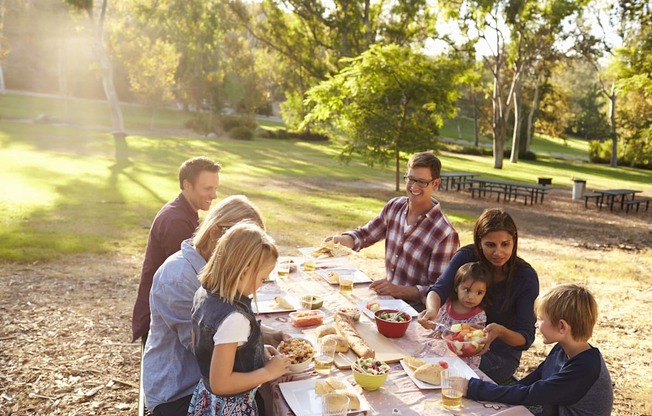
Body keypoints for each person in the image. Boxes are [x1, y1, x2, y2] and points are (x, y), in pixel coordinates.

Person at [143, 195, 287, 416]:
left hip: (207, 386)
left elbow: (219, 335)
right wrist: (261, 362)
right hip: (180, 390)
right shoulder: (178, 277)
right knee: (268, 398)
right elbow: (206, 347)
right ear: (217, 235)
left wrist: (265, 337)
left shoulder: (209, 286)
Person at [418, 208, 539, 384]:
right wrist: (432, 310)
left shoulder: (525, 278)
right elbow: (439, 289)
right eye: (490, 245)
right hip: (454, 344)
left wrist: (500, 332)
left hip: (498, 357)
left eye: (505, 244)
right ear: (479, 242)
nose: (498, 253)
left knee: (445, 370)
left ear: (514, 241)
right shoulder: (466, 257)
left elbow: (526, 337)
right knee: (422, 356)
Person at [327, 151, 459, 310]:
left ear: (435, 184)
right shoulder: (395, 206)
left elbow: (437, 290)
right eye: (410, 179)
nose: (414, 187)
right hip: (385, 301)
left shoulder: (445, 234)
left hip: (414, 313)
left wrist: (398, 290)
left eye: (422, 182)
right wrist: (340, 240)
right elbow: (365, 235)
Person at [462, 284, 614, 416]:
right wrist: (491, 392)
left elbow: (529, 394)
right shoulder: (562, 349)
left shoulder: (586, 369)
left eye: (541, 319)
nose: (536, 324)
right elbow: (528, 383)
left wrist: (472, 387)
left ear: (562, 326)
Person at [188, 223, 291, 416]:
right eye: (262, 278)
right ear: (244, 272)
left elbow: (201, 345)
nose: (261, 285)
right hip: (231, 408)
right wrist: (269, 372)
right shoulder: (235, 318)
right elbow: (221, 383)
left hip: (207, 399)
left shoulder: (203, 293)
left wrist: (255, 351)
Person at [132, 156, 221, 343]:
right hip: (162, 317)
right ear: (187, 185)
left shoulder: (186, 211)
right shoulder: (176, 221)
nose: (214, 195)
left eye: (215, 188)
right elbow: (184, 277)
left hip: (171, 310)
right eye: (208, 188)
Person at [434, 261, 490, 369]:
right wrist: (437, 331)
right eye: (467, 290)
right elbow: (440, 324)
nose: (471, 297)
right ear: (456, 287)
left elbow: (475, 339)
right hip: (442, 352)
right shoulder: (447, 305)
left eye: (479, 293)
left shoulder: (479, 316)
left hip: (465, 361)